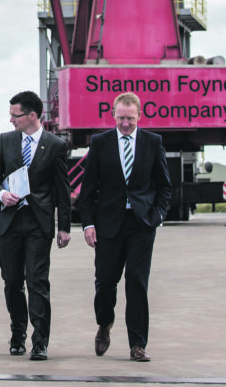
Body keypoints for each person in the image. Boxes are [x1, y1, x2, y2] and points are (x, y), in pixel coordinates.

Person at [76, 92, 172, 362]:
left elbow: (164, 186)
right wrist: (88, 224)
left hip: (141, 224)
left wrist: (158, 216)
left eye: (130, 118)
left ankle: (137, 344)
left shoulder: (153, 143)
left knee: (137, 284)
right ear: (113, 115)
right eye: (121, 118)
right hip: (108, 224)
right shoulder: (101, 142)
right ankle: (104, 324)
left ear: (139, 116)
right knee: (106, 282)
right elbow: (89, 189)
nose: (125, 123)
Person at [0, 90, 71, 361]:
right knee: (12, 282)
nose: (11, 120)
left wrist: (64, 226)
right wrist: (1, 194)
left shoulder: (55, 145)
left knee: (37, 282)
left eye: (15, 115)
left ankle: (40, 341)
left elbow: (62, 189)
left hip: (38, 223)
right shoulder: (7, 140)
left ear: (32, 115)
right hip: (10, 222)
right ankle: (17, 335)